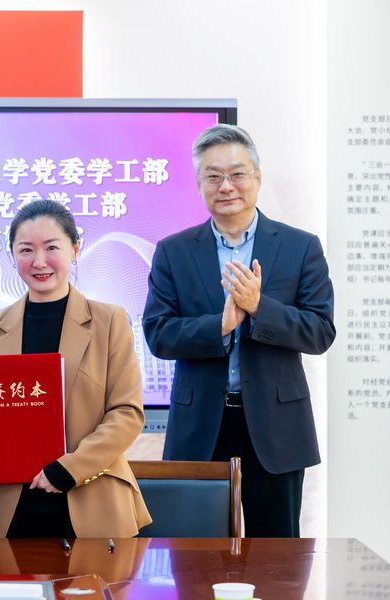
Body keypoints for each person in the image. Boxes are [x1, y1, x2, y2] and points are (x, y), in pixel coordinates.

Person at [142, 124, 336, 537]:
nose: (226, 186)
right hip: (200, 426)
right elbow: (158, 334)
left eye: (237, 174)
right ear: (199, 184)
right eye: (213, 176)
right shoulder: (173, 251)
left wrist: (259, 307)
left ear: (258, 177)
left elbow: (320, 331)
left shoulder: (300, 246)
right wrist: (220, 325)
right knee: (195, 557)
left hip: (276, 426)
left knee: (276, 555)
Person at [0, 199, 151, 538]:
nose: (39, 261)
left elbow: (126, 413)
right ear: (12, 255)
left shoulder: (110, 320)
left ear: (75, 249)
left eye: (52, 247)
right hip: (14, 508)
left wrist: (68, 469)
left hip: (93, 501)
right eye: (26, 250)